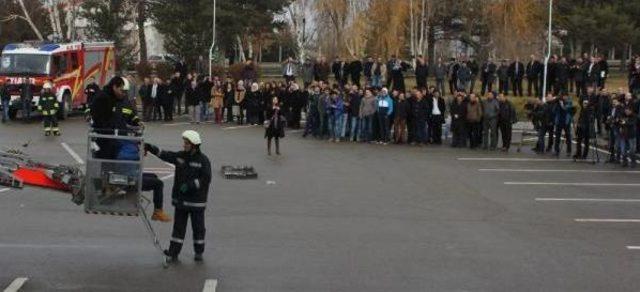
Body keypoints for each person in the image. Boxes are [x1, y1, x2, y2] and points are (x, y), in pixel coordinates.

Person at [144, 130, 212, 263]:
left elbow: (206, 178)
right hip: (181, 201)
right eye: (184, 143)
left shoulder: (203, 161)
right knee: (178, 228)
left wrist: (190, 185)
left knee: (198, 228)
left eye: (187, 143)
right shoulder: (181, 157)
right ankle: (173, 252)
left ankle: (199, 251)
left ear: (194, 145)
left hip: (196, 203)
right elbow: (165, 155)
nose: (184, 145)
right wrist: (151, 148)